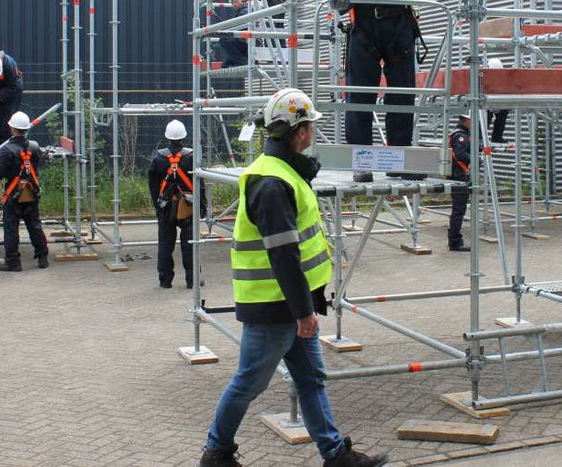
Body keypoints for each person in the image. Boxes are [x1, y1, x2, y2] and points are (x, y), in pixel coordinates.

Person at [200, 88, 387, 467]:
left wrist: (306, 306)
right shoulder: (272, 182)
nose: (313, 133)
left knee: (311, 379)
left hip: (291, 304)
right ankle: (216, 452)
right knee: (249, 382)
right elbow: (283, 255)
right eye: (311, 126)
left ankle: (335, 454)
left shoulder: (284, 172)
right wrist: (304, 312)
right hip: (275, 307)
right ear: (299, 132)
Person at [330, 0, 468, 183]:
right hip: (364, 29)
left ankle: (398, 159)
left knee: (402, 96)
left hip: (399, 28)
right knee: (359, 97)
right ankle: (362, 161)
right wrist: (341, 0)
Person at [0, 111, 49, 271]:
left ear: (12, 128)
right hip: (31, 192)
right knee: (34, 225)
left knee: (11, 228)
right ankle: (42, 257)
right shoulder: (34, 146)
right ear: (26, 129)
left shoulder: (7, 150)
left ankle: (13, 262)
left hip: (14, 195)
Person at [149, 119, 199, 289]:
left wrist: (157, 205)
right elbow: (199, 182)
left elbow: (153, 185)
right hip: (188, 206)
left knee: (165, 243)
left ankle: (165, 280)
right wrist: (202, 205)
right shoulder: (191, 156)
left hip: (166, 206)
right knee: (190, 245)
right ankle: (192, 280)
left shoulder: (158, 158)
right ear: (183, 137)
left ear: (167, 137)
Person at [447, 113, 473, 253]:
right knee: (458, 210)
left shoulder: (459, 133)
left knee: (458, 209)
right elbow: (460, 155)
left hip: (458, 175)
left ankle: (454, 240)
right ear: (466, 120)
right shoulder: (460, 136)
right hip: (459, 176)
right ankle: (455, 242)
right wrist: (476, 159)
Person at [217, 0, 250, 69]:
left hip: (246, 43)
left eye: (235, 1)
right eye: (232, 2)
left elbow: (240, 30)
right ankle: (243, 61)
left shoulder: (244, 12)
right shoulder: (242, 11)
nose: (233, 4)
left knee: (223, 40)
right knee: (224, 65)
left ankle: (244, 62)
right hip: (245, 43)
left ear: (242, 0)